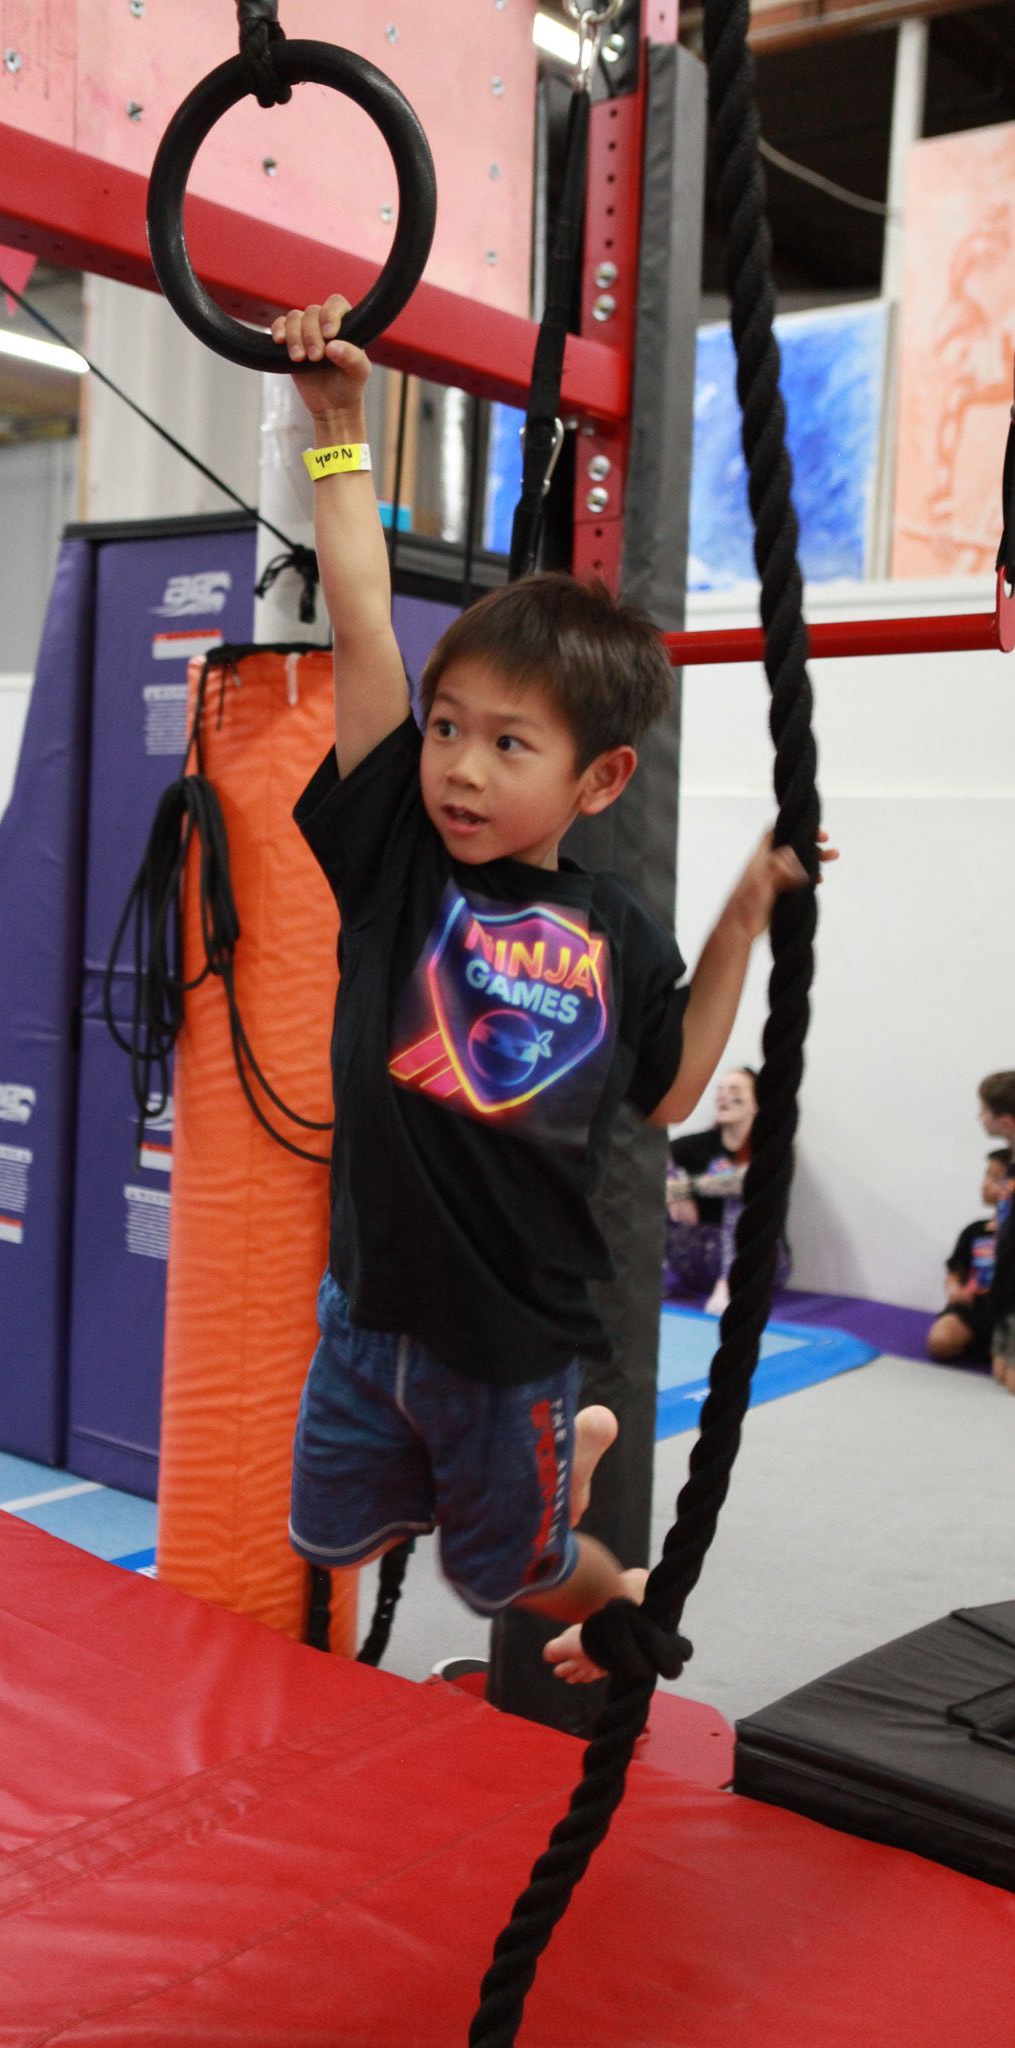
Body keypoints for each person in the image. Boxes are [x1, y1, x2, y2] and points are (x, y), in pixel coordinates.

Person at [274, 296, 836, 1686]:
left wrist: (746, 911)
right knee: (325, 1528)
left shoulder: (616, 931)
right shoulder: (398, 857)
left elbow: (674, 1083)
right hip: (364, 1311)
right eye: (449, 730)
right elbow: (359, 633)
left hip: (512, 1343)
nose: (458, 767)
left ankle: (605, 1554)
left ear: (596, 781)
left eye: (505, 744)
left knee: (510, 1575)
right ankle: (533, 1481)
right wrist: (337, 431)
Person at [664, 1065, 790, 1315]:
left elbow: (746, 1181)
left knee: (740, 1196)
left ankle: (727, 1287)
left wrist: (684, 1188)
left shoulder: (774, 1147)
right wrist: (672, 1187)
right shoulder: (699, 1144)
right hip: (699, 1260)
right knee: (656, 1179)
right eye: (720, 1090)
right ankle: (641, 1275)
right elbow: (654, 1155)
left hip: (756, 1265)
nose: (723, 1095)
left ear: (757, 1102)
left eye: (734, 1089)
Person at [926, 1147, 1011, 1367]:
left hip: (1008, 1313)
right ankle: (985, 1346)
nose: (985, 1183)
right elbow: (954, 1273)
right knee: (940, 1341)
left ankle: (998, 1349)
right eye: (987, 1175)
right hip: (974, 1310)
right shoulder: (975, 1231)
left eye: (996, 1178)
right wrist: (954, 1289)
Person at [976, 1072, 1015, 1392]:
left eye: (983, 1111)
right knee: (1000, 1372)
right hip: (1005, 1277)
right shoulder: (1009, 1161)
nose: (979, 1117)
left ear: (1005, 1123)